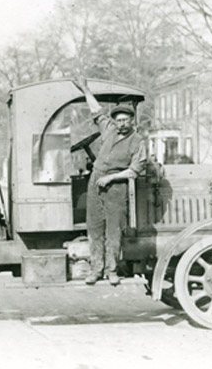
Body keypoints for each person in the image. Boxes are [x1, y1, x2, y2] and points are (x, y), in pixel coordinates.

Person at [72, 77, 146, 286]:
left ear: (132, 121)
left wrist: (112, 177)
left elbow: (134, 170)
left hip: (116, 188)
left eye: (125, 120)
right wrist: (85, 89)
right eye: (118, 120)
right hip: (96, 183)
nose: (121, 123)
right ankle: (96, 270)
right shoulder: (109, 129)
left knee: (114, 232)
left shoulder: (138, 141)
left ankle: (112, 270)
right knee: (94, 229)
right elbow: (96, 111)